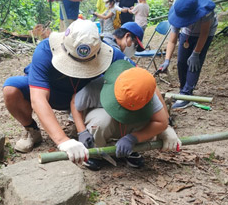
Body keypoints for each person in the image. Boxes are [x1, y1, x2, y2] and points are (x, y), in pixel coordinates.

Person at [3, 19, 126, 164]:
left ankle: (83, 124)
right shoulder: (45, 50)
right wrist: (63, 141)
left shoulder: (112, 54)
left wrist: (159, 124)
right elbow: (38, 98)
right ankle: (31, 130)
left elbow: (141, 80)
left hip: (84, 98)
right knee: (11, 89)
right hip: (53, 93)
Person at [70, 23, 181, 171]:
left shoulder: (143, 89)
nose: (133, 49)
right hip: (104, 116)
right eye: (134, 44)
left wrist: (134, 138)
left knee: (148, 120)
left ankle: (131, 149)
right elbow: (74, 103)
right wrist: (82, 131)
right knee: (101, 120)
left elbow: (161, 121)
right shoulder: (97, 86)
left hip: (132, 129)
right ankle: (95, 153)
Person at [158, 0, 217, 109]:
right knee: (181, 61)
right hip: (187, 33)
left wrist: (196, 53)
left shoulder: (206, 11)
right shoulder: (178, 13)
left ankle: (187, 94)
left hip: (206, 33)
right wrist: (167, 60)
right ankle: (182, 90)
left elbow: (204, 34)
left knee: (194, 64)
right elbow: (172, 40)